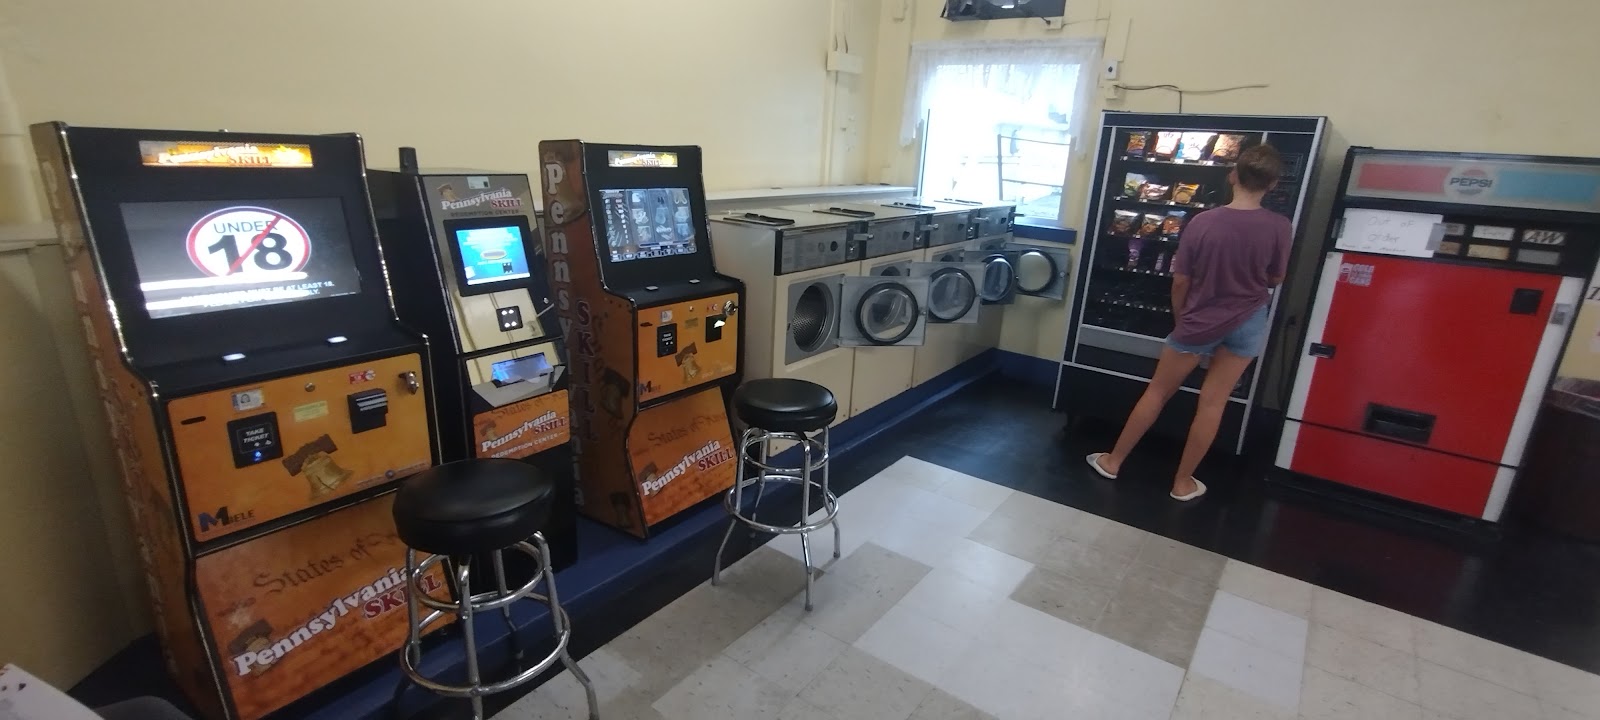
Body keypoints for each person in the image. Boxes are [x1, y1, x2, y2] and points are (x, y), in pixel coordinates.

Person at [1086, 144, 1292, 501]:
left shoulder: (1203, 222)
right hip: (1249, 319)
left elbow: (1181, 280)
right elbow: (1276, 278)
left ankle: (1113, 461)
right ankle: (1182, 483)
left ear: (1232, 175)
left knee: (1158, 391)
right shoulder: (1279, 226)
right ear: (1272, 184)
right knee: (1213, 402)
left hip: (1200, 319)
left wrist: (1183, 319)